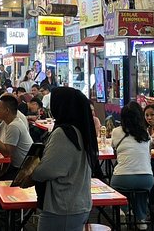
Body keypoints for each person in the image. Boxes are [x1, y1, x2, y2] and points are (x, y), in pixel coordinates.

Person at [32, 87, 102, 231]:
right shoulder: (81, 129)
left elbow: (48, 170)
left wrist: (32, 171)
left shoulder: (63, 133)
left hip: (62, 205)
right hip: (77, 202)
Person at [110, 102, 154, 229]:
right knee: (139, 190)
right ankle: (141, 219)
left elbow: (114, 147)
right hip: (146, 179)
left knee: (122, 186)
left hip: (122, 178)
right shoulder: (146, 134)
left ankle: (122, 211)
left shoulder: (117, 131)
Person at [0, 94, 32, 182]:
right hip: (15, 165)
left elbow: (7, 152)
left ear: (7, 110)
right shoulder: (8, 122)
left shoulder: (14, 126)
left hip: (22, 170)